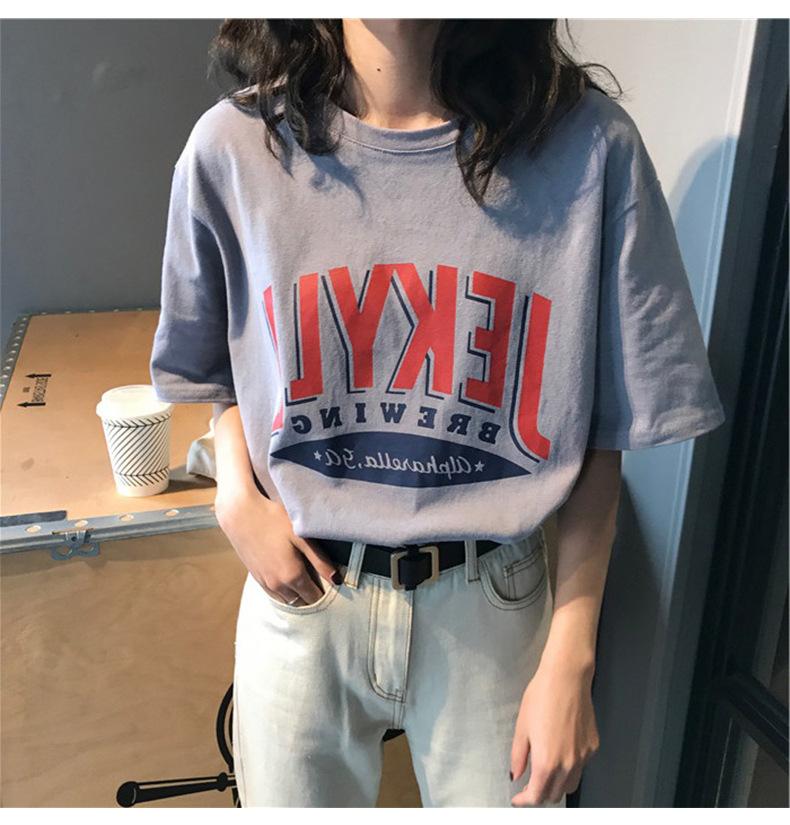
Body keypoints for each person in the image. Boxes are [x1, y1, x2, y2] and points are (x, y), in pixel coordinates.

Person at [149, 19, 726, 808]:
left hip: (493, 601)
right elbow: (213, 358)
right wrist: (233, 496)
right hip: (303, 591)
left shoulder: (589, 149)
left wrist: (572, 651)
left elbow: (602, 428)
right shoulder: (234, 147)